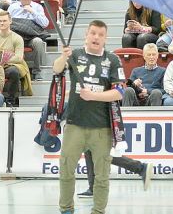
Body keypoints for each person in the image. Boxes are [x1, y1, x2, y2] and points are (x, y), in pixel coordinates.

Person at [53, 21, 124, 214]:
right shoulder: (75, 55)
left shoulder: (113, 60)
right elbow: (57, 69)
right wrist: (63, 56)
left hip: (102, 127)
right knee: (66, 169)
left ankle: (98, 211)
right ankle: (66, 209)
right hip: (75, 124)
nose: (96, 37)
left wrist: (94, 96)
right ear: (86, 34)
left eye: (101, 34)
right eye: (93, 33)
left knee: (102, 175)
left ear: (105, 38)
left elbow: (119, 93)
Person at [0, 11, 31, 107]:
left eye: (5, 21)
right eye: (0, 21)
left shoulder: (17, 38)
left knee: (14, 71)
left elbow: (19, 57)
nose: (2, 23)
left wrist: (3, 61)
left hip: (12, 65)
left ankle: (11, 99)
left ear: (10, 21)